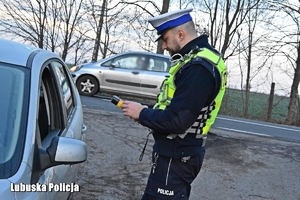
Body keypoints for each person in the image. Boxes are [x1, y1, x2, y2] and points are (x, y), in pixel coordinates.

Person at [121, 8, 227, 200]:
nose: (163, 46)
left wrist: (143, 114)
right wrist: (146, 111)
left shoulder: (198, 68)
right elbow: (176, 107)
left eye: (165, 38)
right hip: (179, 154)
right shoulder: (197, 60)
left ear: (180, 34)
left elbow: (178, 121)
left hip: (177, 156)